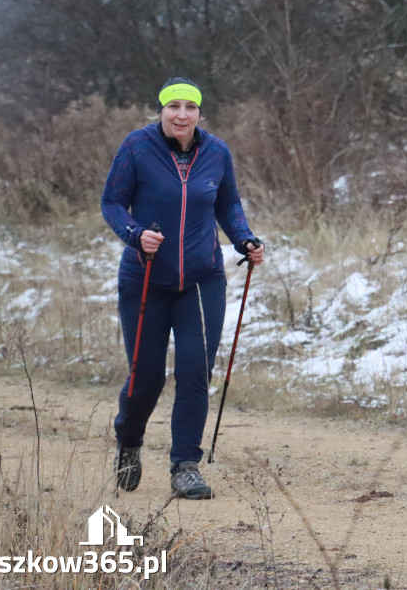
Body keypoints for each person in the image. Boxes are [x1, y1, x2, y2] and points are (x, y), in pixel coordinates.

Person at [102, 77, 265, 499]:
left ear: (199, 113)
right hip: (145, 279)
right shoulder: (137, 146)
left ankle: (185, 466)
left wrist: (244, 239)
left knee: (195, 372)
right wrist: (135, 233)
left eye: (189, 107)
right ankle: (129, 442)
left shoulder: (216, 151)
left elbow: (227, 203)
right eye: (173, 106)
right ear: (160, 110)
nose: (181, 114)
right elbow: (112, 203)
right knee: (148, 376)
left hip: (201, 279)